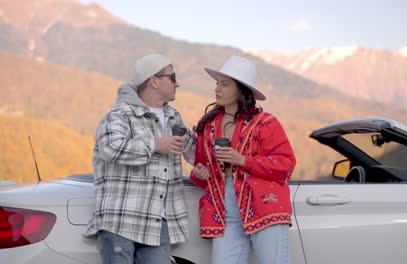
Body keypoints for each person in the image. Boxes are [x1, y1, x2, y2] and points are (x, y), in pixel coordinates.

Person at [84, 54, 196, 264]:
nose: (177, 83)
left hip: (158, 223)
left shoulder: (173, 116)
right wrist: (154, 146)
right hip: (121, 222)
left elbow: (196, 152)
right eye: (172, 77)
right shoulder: (119, 114)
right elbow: (109, 147)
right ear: (154, 80)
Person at [190, 55, 296, 264]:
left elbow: (285, 166)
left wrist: (243, 160)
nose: (217, 89)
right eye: (217, 84)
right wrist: (198, 174)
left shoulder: (266, 123)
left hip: (265, 205)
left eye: (225, 84)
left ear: (241, 89)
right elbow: (202, 170)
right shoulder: (209, 127)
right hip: (224, 209)